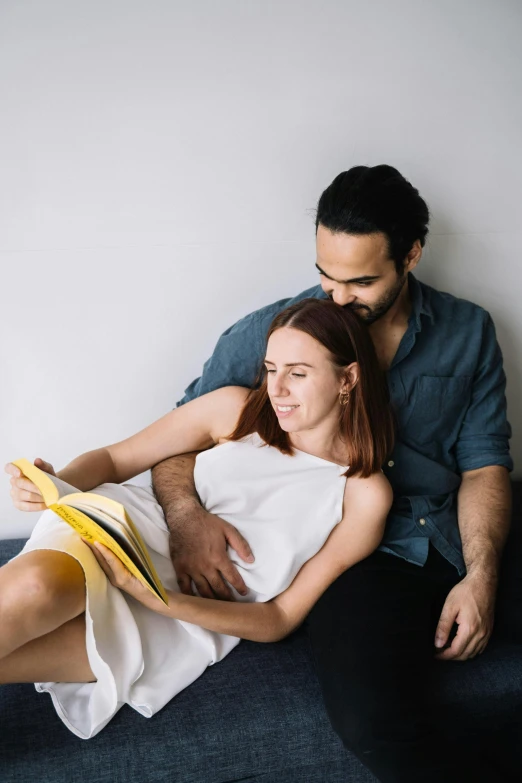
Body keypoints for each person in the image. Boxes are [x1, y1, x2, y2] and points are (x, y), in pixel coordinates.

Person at [147, 165, 515, 782]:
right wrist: (186, 516)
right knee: (372, 723)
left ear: (412, 256)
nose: (338, 298)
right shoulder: (277, 332)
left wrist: (482, 576)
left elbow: (484, 464)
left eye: (363, 281)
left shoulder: (468, 331)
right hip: (356, 554)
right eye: (326, 275)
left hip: (456, 526)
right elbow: (175, 437)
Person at [3, 298, 393, 740]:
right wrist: (55, 486)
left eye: (297, 373)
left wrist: (155, 599)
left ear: (349, 378)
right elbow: (115, 459)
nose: (277, 388)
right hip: (126, 531)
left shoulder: (364, 494)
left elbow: (280, 616)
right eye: (271, 368)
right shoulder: (234, 410)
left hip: (175, 620)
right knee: (39, 588)